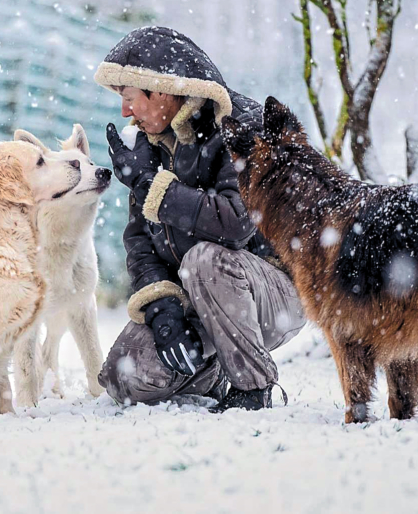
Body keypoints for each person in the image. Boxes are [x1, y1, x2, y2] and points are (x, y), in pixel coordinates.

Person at [94, 26, 306, 412]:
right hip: (199, 294)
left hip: (273, 292)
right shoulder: (151, 144)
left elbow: (236, 224)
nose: (124, 112)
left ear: (159, 90)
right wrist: (163, 310)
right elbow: (140, 240)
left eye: (129, 98)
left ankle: (252, 386)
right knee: (123, 377)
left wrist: (147, 185)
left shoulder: (240, 126)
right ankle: (211, 370)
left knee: (204, 260)